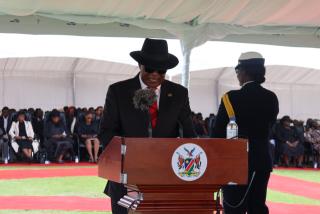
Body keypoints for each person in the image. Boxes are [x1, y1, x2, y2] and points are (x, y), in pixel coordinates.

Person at [99, 38, 196, 214]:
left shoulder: (179, 93)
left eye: (161, 70)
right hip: (125, 178)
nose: (155, 74)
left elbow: (189, 133)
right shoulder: (118, 91)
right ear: (139, 65)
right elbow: (106, 132)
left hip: (165, 177)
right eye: (150, 68)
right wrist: (127, 157)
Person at [211, 52, 279, 214]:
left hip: (234, 162)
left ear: (244, 71)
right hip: (261, 161)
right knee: (257, 206)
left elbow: (217, 133)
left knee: (234, 207)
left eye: (237, 71)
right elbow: (269, 127)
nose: (237, 76)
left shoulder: (230, 98)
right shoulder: (271, 97)